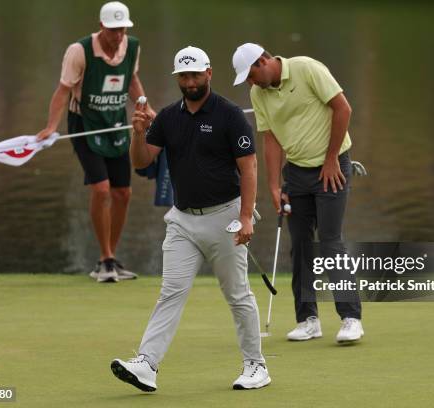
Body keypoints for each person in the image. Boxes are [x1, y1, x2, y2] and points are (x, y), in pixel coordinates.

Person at [110, 46, 270, 391]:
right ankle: (147, 364)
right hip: (183, 220)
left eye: (196, 74)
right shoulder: (168, 117)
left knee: (237, 294)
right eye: (184, 76)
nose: (190, 81)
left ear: (209, 73)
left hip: (225, 217)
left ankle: (256, 365)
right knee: (171, 292)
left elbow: (249, 167)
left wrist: (246, 217)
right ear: (177, 78)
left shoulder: (229, 115)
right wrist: (137, 133)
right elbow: (141, 163)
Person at [232, 43, 364, 343]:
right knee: (301, 245)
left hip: (333, 166)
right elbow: (271, 140)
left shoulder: (307, 68)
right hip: (297, 173)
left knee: (330, 242)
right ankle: (308, 319)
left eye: (251, 75)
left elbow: (343, 108)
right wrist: (275, 186)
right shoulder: (259, 93)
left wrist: (331, 159)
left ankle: (350, 317)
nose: (251, 83)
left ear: (263, 61)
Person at [36, 2, 156, 283]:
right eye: (113, 30)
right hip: (85, 125)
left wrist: (145, 106)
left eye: (122, 29)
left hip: (115, 123)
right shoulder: (79, 51)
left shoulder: (132, 46)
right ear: (102, 27)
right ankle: (104, 259)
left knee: (123, 193)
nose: (118, 35)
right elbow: (63, 90)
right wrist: (51, 127)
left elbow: (131, 80)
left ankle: (111, 257)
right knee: (101, 189)